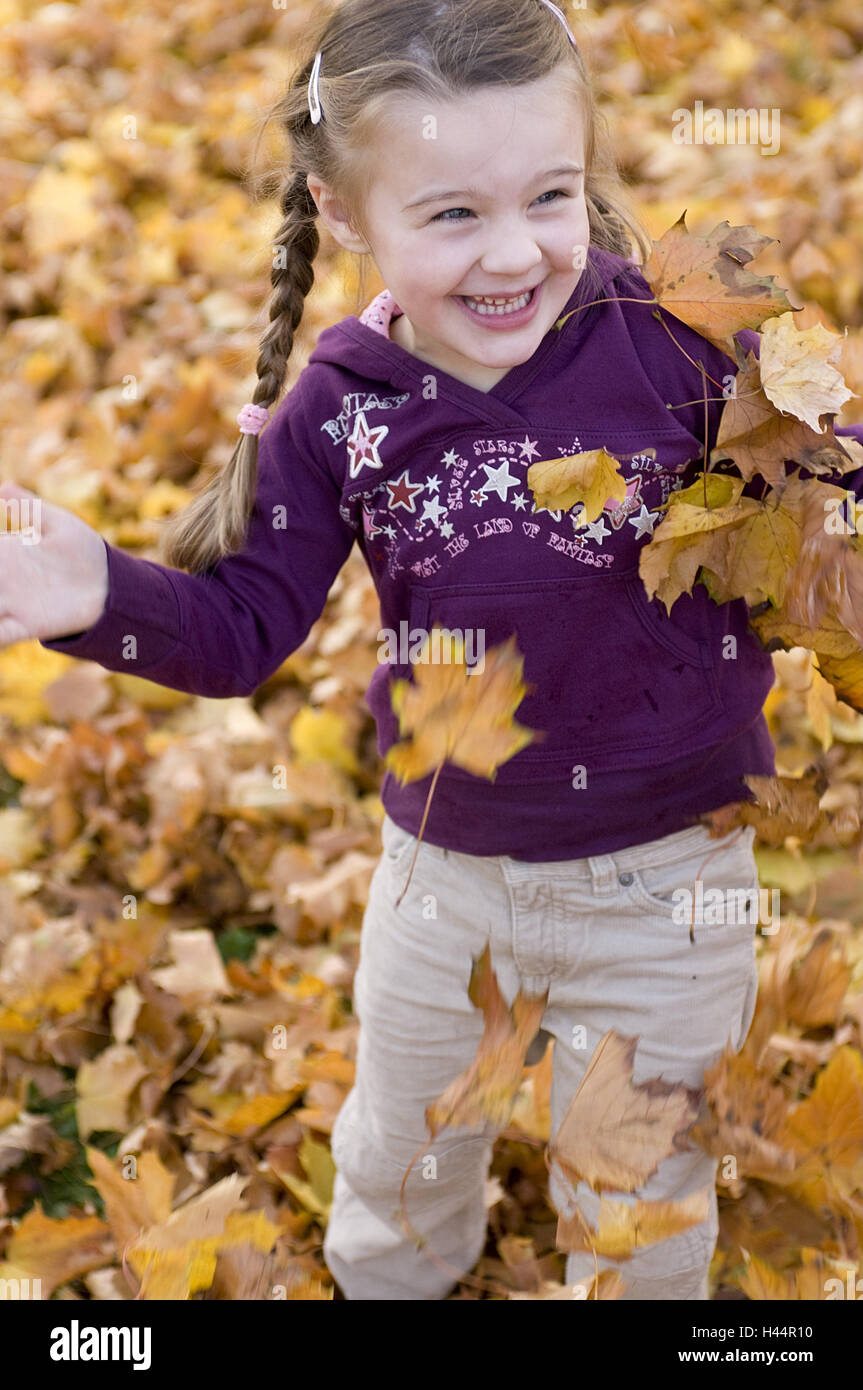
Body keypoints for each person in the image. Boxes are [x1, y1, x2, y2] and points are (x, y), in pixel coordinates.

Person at [2, 0, 861, 1300]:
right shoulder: (342, 410)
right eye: (453, 213)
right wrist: (94, 591)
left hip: (671, 891)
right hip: (442, 883)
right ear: (345, 213)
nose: (514, 251)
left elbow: (830, 486)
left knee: (640, 1208)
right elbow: (241, 631)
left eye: (551, 195)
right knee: (403, 1162)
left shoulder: (681, 345)